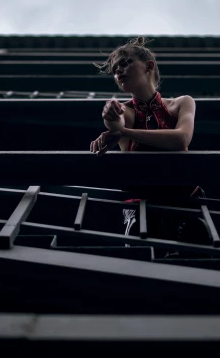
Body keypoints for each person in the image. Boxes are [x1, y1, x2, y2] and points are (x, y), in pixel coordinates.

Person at [89, 37, 209, 245]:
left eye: (125, 63)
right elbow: (116, 123)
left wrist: (126, 132)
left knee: (194, 258)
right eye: (115, 69)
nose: (118, 71)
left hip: (185, 199)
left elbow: (181, 139)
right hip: (141, 205)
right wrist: (110, 115)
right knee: (140, 260)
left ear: (149, 66)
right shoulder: (124, 110)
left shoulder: (182, 103)